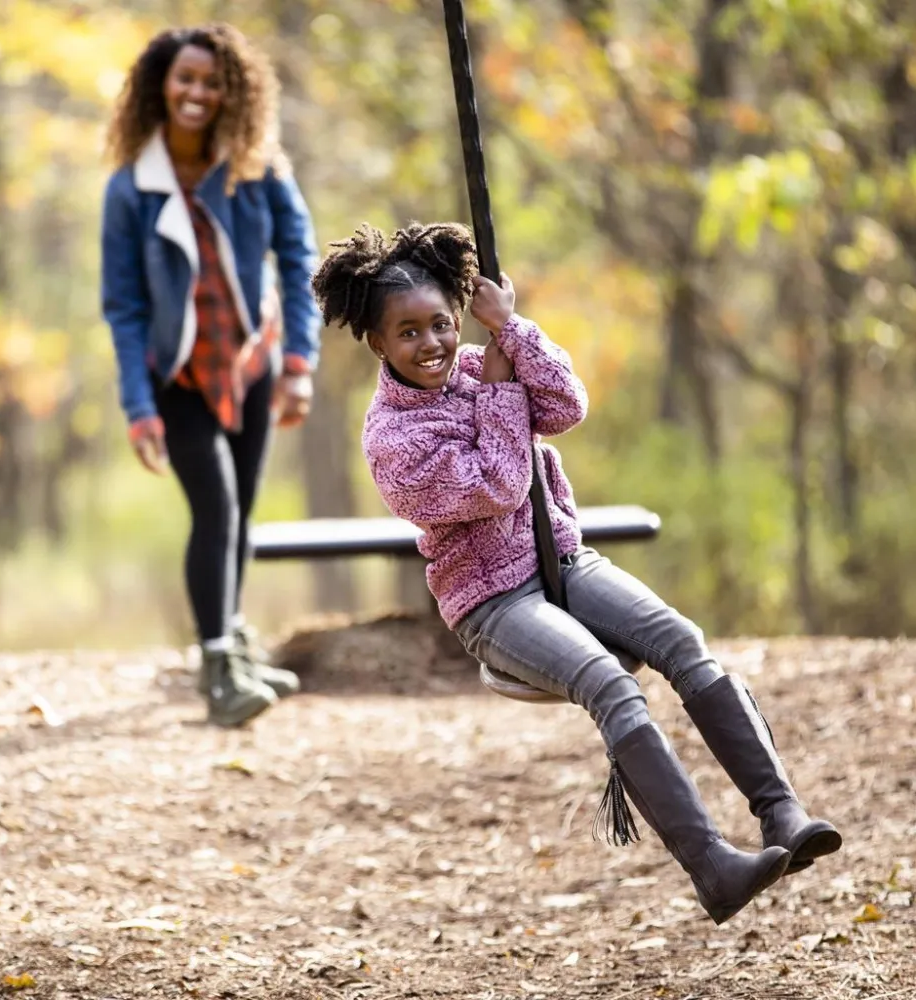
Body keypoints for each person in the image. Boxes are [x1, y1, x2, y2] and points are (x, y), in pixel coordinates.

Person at [310, 221, 842, 925]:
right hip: (492, 598)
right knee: (607, 684)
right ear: (377, 343)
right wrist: (501, 394)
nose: (431, 343)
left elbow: (565, 405)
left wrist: (512, 329)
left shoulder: (480, 362)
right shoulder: (392, 438)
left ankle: (781, 814)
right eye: (407, 332)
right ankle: (712, 866)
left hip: (560, 559)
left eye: (441, 323)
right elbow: (496, 485)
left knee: (681, 641)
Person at [101, 23, 318, 727]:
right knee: (216, 510)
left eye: (210, 80)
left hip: (252, 365)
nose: (196, 92)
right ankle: (218, 666)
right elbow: (126, 307)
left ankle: (238, 649)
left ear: (232, 91)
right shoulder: (131, 190)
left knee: (242, 517)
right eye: (184, 78)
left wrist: (297, 366)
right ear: (160, 86)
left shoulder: (257, 168)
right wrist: (139, 408)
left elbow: (297, 257)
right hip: (180, 380)